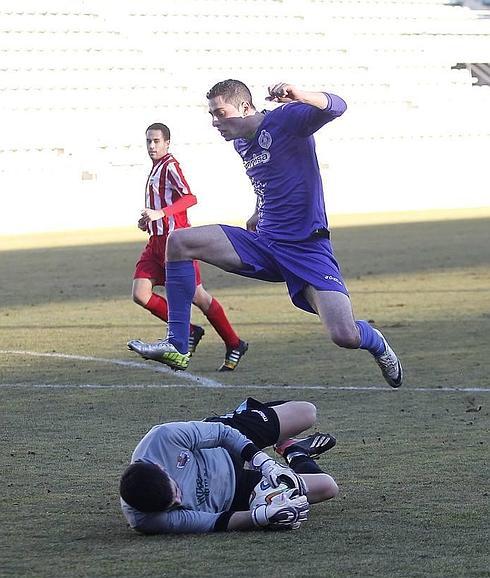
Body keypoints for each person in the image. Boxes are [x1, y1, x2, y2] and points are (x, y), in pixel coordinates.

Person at [128, 82, 403, 388]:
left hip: (306, 248)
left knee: (345, 335)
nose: (215, 121)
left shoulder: (286, 120)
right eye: (211, 115)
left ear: (245, 108)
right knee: (179, 242)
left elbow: (338, 105)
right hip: (264, 244)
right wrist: (258, 211)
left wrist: (301, 95)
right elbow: (267, 179)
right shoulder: (242, 142)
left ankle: (376, 342)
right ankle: (177, 343)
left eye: (220, 113)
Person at [127, 122, 248, 371]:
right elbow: (160, 207)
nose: (152, 146)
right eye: (148, 141)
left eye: (156, 141)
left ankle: (235, 343)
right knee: (140, 294)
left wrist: (161, 213)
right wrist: (149, 221)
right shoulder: (155, 168)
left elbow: (190, 197)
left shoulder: (171, 165)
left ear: (167, 143)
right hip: (156, 244)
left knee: (199, 297)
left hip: (178, 246)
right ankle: (189, 330)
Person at [119, 397, 338, 534]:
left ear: (161, 468)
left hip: (226, 446)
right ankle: (294, 451)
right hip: (234, 493)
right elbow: (215, 522)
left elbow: (223, 434)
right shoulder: (145, 520)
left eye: (175, 491)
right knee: (327, 487)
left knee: (307, 412)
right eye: (173, 505)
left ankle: (246, 414)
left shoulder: (163, 438)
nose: (180, 500)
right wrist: (260, 517)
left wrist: (264, 462)